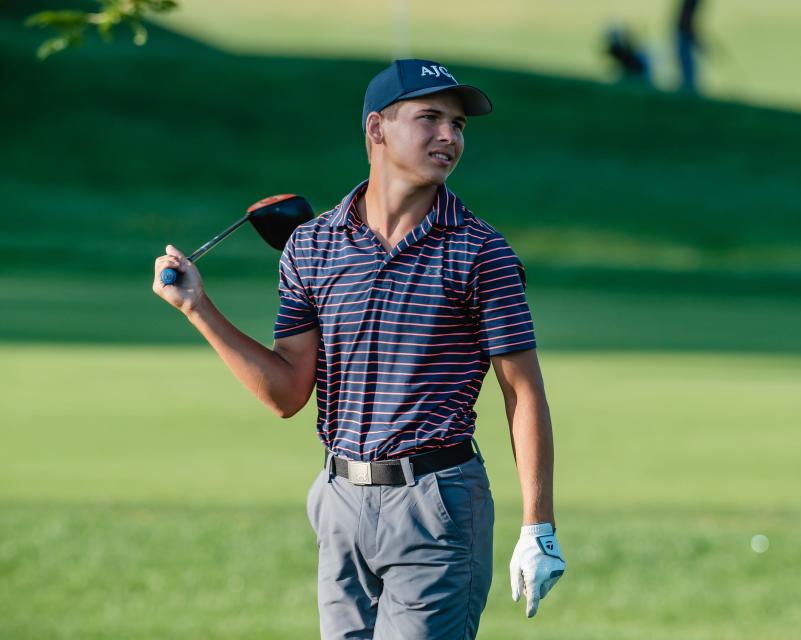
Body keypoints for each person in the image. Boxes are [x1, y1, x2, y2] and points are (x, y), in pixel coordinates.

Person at [152, 58, 565, 639]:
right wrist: (199, 309)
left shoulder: (481, 253)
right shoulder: (312, 245)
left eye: (459, 125)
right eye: (430, 119)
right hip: (339, 500)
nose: (449, 136)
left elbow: (523, 393)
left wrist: (537, 527)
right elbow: (287, 392)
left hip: (436, 502)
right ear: (377, 129)